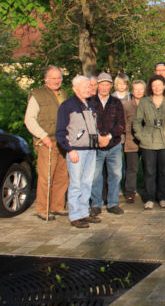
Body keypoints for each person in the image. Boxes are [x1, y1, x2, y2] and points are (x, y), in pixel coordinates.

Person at [24, 66, 69, 221]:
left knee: (62, 176)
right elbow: (29, 119)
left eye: (59, 78)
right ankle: (43, 208)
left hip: (62, 141)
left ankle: (57, 206)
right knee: (46, 176)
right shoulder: (38, 94)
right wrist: (42, 136)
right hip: (47, 141)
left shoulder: (63, 93)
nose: (57, 81)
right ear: (45, 79)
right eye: (53, 78)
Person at [56, 75, 100, 228]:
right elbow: (60, 132)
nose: (89, 89)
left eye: (89, 86)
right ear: (75, 89)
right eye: (85, 86)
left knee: (87, 182)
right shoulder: (67, 106)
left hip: (91, 149)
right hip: (76, 151)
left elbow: (92, 128)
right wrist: (70, 149)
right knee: (76, 184)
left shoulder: (90, 105)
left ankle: (84, 213)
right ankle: (75, 215)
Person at [89, 72, 126, 216]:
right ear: (97, 85)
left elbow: (121, 124)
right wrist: (99, 138)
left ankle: (113, 203)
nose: (104, 87)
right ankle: (96, 204)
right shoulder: (90, 102)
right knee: (95, 176)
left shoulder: (116, 103)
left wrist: (109, 137)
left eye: (107, 84)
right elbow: (88, 123)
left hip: (114, 145)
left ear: (111, 86)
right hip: (96, 145)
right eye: (102, 84)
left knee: (115, 175)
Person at [133, 75, 165, 210]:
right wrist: (141, 136)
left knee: (164, 171)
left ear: (164, 86)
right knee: (149, 171)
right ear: (150, 87)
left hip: (164, 139)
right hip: (148, 140)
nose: (157, 88)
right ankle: (149, 197)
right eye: (154, 85)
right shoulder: (144, 102)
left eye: (159, 85)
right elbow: (137, 121)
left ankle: (163, 197)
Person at [122, 79, 145, 203]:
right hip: (131, 141)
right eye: (136, 89)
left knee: (148, 168)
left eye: (141, 89)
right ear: (132, 90)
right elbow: (124, 122)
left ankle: (148, 191)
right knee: (132, 168)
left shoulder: (149, 103)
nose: (139, 91)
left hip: (147, 141)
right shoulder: (126, 106)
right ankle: (130, 192)